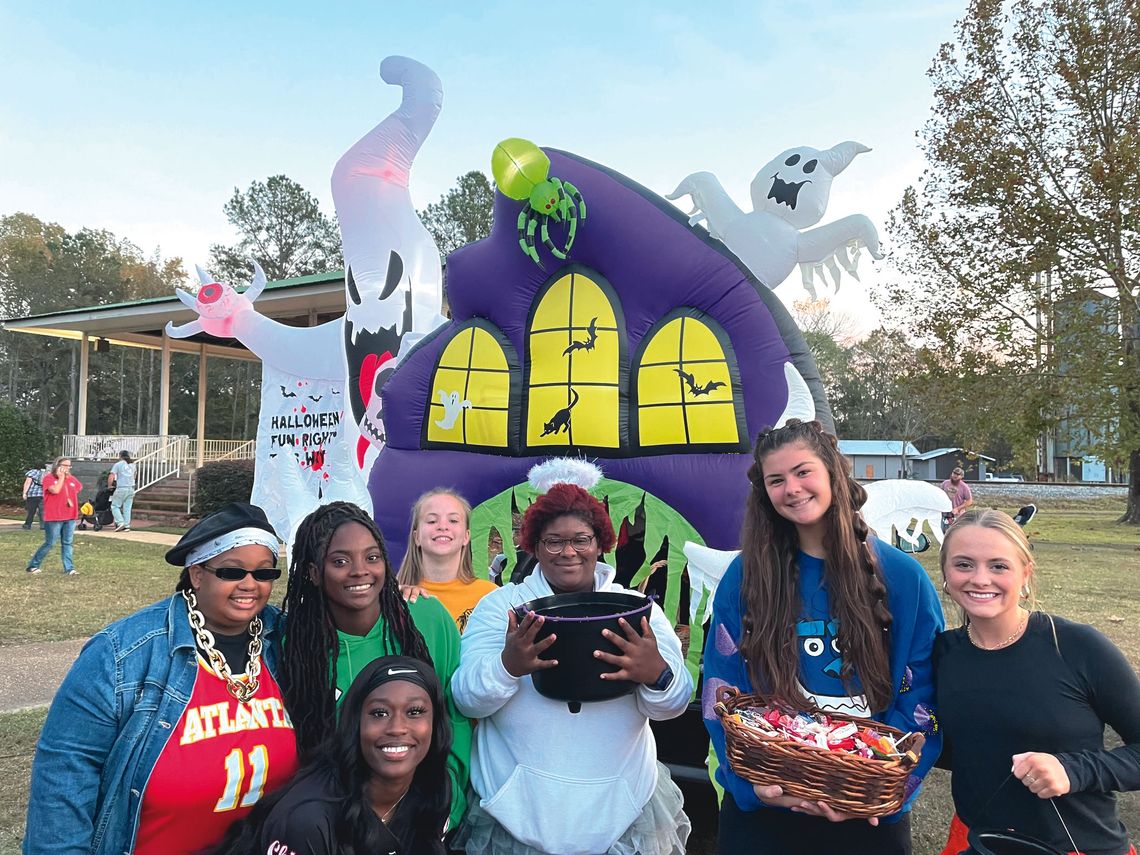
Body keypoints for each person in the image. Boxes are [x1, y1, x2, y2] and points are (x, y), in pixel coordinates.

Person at [703, 419, 944, 855]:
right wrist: (752, 786)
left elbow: (924, 693)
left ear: (833, 472)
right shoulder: (746, 577)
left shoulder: (904, 579)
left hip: (865, 816)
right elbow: (721, 685)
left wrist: (881, 790)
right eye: (776, 480)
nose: (792, 488)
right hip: (765, 814)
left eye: (803, 471)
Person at [23, 502, 296, 855]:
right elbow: (65, 774)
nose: (250, 585)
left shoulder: (288, 641)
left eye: (264, 574)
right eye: (232, 572)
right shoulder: (121, 654)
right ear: (197, 573)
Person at [451, 482, 693, 855]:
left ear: (600, 544)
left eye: (581, 540)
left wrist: (657, 673)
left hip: (622, 807)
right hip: (519, 810)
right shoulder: (501, 608)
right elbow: (467, 698)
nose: (569, 552)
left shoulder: (637, 610)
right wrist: (506, 666)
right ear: (534, 545)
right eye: (553, 541)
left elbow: (671, 706)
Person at [935, 509, 1140, 855]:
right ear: (945, 574)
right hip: (979, 843)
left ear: (1025, 574)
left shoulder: (1078, 647)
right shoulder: (941, 654)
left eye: (999, 566)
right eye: (964, 564)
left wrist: (1073, 769)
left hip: (1078, 846)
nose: (980, 579)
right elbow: (960, 747)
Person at [279, 500, 471, 832]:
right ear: (313, 572)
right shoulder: (294, 646)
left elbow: (456, 719)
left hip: (423, 818)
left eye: (372, 557)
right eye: (340, 561)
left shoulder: (428, 619)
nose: (360, 571)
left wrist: (445, 805)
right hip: (334, 822)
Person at [212, 655, 451, 855]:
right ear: (354, 723)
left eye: (415, 712)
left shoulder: (433, 787)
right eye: (379, 713)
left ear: (436, 723)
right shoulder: (306, 820)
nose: (397, 727)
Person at [397, 488, 496, 633]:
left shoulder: (491, 597)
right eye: (431, 521)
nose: (443, 526)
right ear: (417, 537)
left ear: (466, 537)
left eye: (453, 520)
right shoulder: (397, 596)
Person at [26, 457, 82, 575]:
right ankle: (33, 565)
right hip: (54, 517)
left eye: (69, 466)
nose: (67, 468)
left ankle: (69, 568)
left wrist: (67, 481)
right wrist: (61, 478)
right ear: (57, 465)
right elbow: (55, 490)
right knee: (50, 543)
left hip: (70, 516)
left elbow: (78, 488)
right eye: (65, 465)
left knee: (67, 543)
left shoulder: (71, 479)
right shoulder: (48, 478)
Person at [107, 448, 137, 532]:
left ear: (120, 456)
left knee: (115, 506)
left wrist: (109, 485)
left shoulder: (118, 465)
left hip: (121, 488)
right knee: (127, 508)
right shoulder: (133, 465)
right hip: (131, 488)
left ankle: (120, 522)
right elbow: (134, 476)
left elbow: (111, 476)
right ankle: (127, 525)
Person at [21, 461, 46, 530]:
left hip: (33, 494)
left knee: (31, 511)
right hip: (43, 495)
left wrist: (24, 493)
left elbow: (28, 482)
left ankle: (27, 525)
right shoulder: (46, 473)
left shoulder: (32, 472)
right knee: (42, 511)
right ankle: (43, 525)